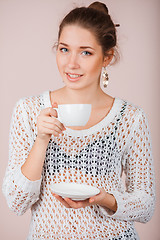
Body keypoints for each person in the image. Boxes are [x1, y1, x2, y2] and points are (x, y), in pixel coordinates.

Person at [2, 1, 155, 240]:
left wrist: (104, 199)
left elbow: (146, 206)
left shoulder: (130, 118)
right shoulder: (28, 110)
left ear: (107, 57)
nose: (71, 63)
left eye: (86, 52)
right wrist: (41, 140)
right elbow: (16, 202)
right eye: (64, 49)